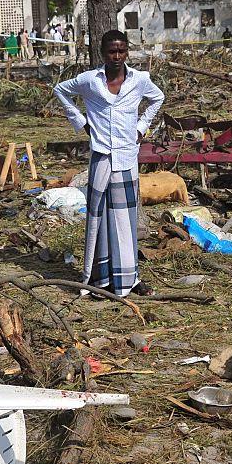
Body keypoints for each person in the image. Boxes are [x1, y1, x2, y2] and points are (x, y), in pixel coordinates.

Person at [52, 30, 164, 297]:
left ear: (127, 51)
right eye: (112, 51)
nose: (117, 56)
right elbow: (60, 90)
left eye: (122, 50)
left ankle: (129, 278)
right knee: (98, 219)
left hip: (126, 157)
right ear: (103, 53)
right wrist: (82, 123)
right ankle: (98, 278)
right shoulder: (90, 81)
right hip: (101, 157)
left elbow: (158, 98)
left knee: (125, 219)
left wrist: (141, 127)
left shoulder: (139, 80)